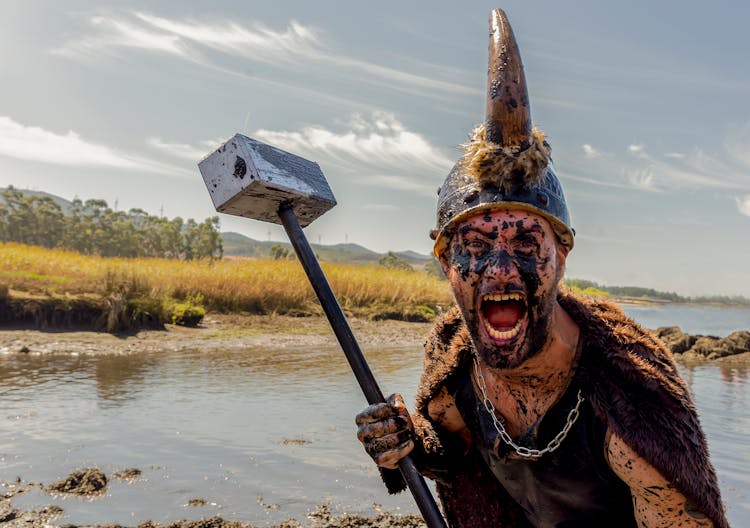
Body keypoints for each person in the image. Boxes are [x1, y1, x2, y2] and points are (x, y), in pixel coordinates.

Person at [355, 9, 729, 528]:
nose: (501, 270)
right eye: (477, 244)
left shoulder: (629, 412)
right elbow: (455, 452)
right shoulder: (455, 367)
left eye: (528, 242)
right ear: (445, 261)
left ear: (561, 258)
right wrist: (408, 442)